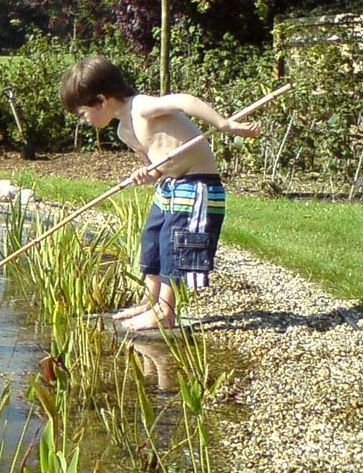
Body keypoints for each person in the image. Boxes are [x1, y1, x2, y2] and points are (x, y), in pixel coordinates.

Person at [60, 56, 260, 331]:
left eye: (83, 113)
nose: (84, 121)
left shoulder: (140, 107)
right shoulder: (123, 131)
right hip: (170, 185)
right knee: (152, 239)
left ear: (102, 100)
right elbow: (157, 168)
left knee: (174, 243)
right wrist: (146, 175)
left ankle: (166, 312)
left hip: (196, 184)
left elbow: (184, 101)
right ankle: (150, 301)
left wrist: (224, 124)